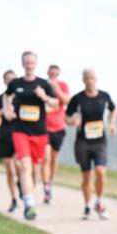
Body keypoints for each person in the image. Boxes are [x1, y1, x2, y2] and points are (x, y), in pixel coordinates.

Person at [3, 52, 59, 220]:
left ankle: (27, 193)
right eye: (26, 62)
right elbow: (7, 95)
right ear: (22, 64)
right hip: (21, 132)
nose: (29, 65)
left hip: (39, 133)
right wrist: (7, 109)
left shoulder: (43, 84)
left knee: (34, 169)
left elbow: (56, 103)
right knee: (25, 167)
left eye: (32, 62)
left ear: (36, 64)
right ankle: (29, 204)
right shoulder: (16, 83)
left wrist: (45, 97)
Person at [66, 68, 117, 220]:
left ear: (96, 79)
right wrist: (72, 121)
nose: (90, 81)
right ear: (83, 80)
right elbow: (66, 116)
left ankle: (99, 202)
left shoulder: (104, 96)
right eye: (87, 78)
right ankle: (87, 205)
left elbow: (113, 110)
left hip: (100, 141)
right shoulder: (77, 98)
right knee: (87, 176)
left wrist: (112, 123)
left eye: (92, 78)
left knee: (101, 171)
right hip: (83, 142)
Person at [0, 70, 21, 212]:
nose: (10, 81)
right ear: (4, 81)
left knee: (19, 165)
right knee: (9, 168)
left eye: (12, 79)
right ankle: (14, 198)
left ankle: (21, 183)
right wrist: (1, 112)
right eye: (7, 79)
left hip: (20, 134)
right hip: (5, 135)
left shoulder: (21, 97)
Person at [42, 64, 72, 204]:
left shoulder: (63, 85)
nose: (53, 75)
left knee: (54, 159)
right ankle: (46, 187)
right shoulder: (42, 85)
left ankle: (51, 181)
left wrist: (56, 89)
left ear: (58, 74)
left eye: (56, 73)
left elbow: (67, 101)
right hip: (44, 127)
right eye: (51, 73)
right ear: (48, 73)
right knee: (46, 158)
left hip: (59, 127)